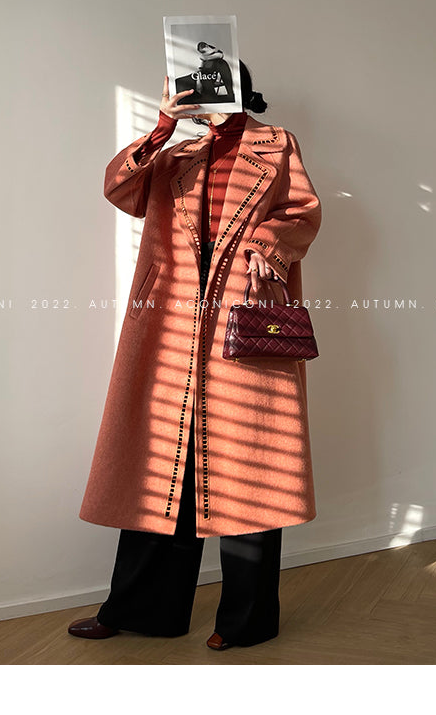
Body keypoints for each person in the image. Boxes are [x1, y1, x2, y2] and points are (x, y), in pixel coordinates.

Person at [68, 61, 322, 650]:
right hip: (171, 318)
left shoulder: (276, 143)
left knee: (251, 466)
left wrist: (267, 244)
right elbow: (121, 191)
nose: (200, 94)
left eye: (211, 82)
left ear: (238, 87)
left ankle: (246, 622)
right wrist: (163, 124)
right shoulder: (176, 152)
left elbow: (303, 212)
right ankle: (141, 610)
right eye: (191, 86)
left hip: (246, 311)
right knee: (161, 463)